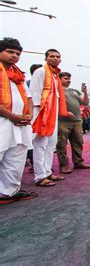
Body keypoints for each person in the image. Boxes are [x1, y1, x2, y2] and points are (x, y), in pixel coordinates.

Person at [0, 38, 39, 204]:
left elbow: (28, 98)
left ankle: (9, 191)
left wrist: (28, 115)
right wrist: (12, 116)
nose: (14, 56)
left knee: (16, 157)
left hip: (20, 123)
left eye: (17, 53)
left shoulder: (18, 76)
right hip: (4, 120)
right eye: (10, 52)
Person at [30, 48, 73, 187]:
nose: (55, 58)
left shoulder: (55, 76)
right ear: (46, 58)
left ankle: (48, 172)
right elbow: (35, 95)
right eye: (52, 56)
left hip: (52, 114)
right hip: (41, 113)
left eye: (57, 56)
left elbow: (56, 97)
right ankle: (40, 176)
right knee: (40, 144)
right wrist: (37, 115)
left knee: (51, 144)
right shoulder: (40, 72)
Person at [56, 72, 90, 174]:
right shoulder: (56, 90)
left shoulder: (74, 91)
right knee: (61, 144)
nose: (68, 80)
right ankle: (64, 165)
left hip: (77, 121)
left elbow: (85, 102)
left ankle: (78, 162)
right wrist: (65, 113)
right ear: (60, 79)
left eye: (69, 79)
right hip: (63, 121)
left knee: (78, 142)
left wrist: (85, 92)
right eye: (66, 78)